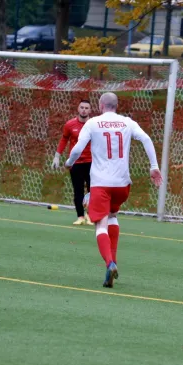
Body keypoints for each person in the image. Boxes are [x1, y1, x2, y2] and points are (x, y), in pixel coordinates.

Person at [64, 92, 162, 288]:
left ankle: (110, 263)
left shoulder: (93, 123)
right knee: (113, 216)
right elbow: (146, 139)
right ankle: (113, 263)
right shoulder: (127, 122)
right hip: (122, 185)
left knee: (100, 225)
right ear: (116, 106)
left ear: (100, 106)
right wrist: (154, 166)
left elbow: (77, 148)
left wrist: (69, 162)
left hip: (101, 183)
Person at [52, 100, 94, 226]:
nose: (84, 110)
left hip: (92, 162)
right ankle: (80, 216)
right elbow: (64, 140)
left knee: (93, 190)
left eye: (87, 108)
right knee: (78, 190)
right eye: (82, 107)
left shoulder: (94, 125)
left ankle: (91, 216)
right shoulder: (70, 124)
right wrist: (57, 157)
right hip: (75, 163)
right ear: (78, 108)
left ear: (90, 110)